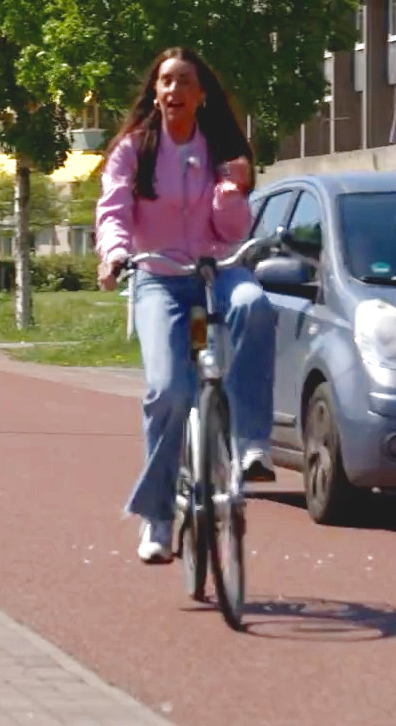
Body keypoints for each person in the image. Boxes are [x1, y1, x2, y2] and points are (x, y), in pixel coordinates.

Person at [95, 48, 278, 565]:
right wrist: (115, 256)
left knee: (255, 306)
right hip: (159, 279)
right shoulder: (134, 150)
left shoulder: (219, 148)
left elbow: (234, 231)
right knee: (169, 391)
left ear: (201, 96)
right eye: (165, 81)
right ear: (155, 92)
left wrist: (231, 188)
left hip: (216, 273)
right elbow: (113, 210)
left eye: (184, 83)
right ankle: (158, 517)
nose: (173, 91)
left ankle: (251, 444)